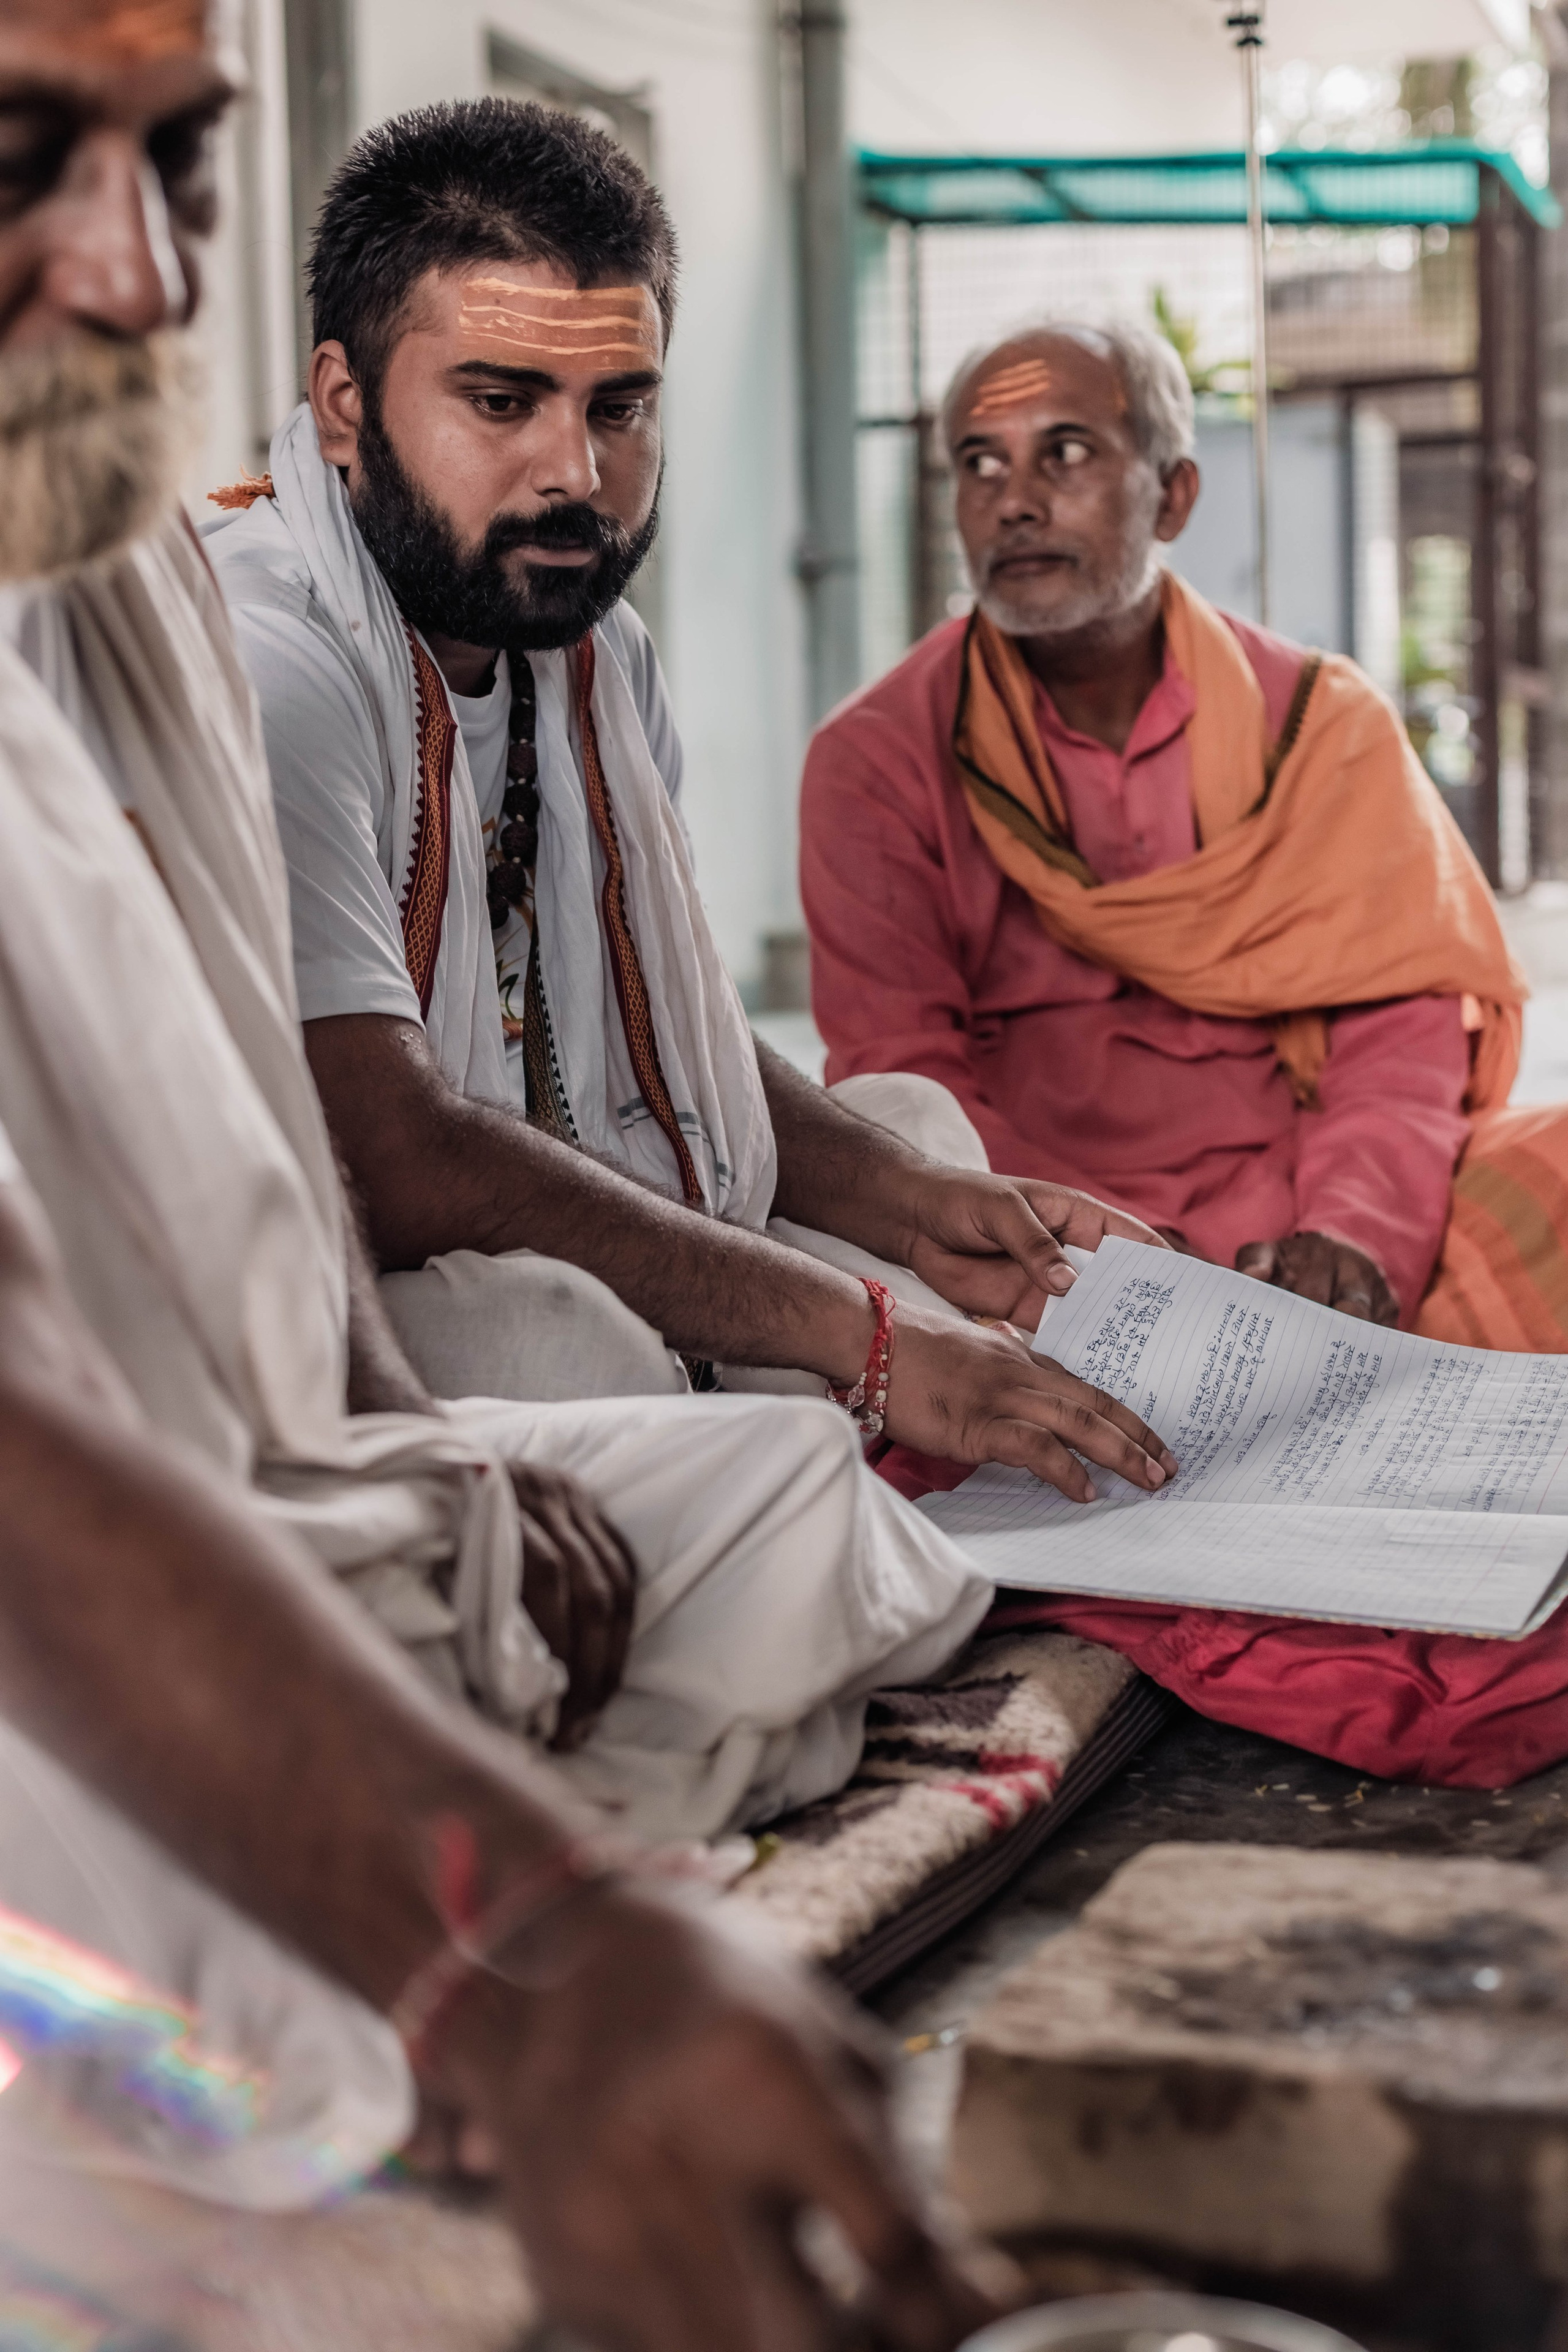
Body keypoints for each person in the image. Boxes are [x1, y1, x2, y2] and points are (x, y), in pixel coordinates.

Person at [0, 5, 1003, 2331]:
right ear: (349, 405)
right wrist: (533, 1959)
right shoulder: (264, 621)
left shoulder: (108, 575)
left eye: (179, 169)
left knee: (791, 1514)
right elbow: (378, 1143)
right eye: (27, 158)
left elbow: (235, 1120)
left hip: (291, 1471)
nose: (140, 273)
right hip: (78, 1591)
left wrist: (407, 1452)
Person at [202, 100, 1180, 1518]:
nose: (575, 473)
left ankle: (788, 1483)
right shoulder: (263, 658)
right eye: (499, 401)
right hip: (307, 1292)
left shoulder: (592, 651)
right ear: (346, 405)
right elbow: (392, 1161)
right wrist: (866, 1336)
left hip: (526, 1212)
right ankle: (789, 1491)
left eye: (618, 408)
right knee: (553, 1338)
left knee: (914, 1135)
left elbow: (681, 1049)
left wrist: (910, 1205)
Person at [801, 317, 1568, 1790]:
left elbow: (1399, 1029)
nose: (1013, 499)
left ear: (1170, 495)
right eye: (979, 464)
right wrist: (1111, 1288)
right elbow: (899, 1097)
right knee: (845, 1323)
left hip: (1313, 1217)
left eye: (1065, 454)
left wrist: (1346, 1230)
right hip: (1057, 1254)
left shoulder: (1314, 726)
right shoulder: (878, 758)